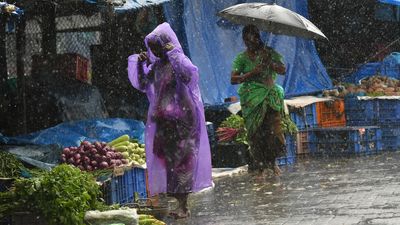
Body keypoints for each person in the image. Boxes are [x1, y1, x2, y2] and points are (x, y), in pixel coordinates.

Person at [127, 22, 212, 219]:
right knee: (170, 162)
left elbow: (190, 75)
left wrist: (174, 54)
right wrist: (141, 63)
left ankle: (184, 205)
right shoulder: (157, 66)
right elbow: (142, 83)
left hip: (183, 122)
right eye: (152, 48)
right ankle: (178, 202)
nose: (155, 51)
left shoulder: (178, 61)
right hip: (165, 123)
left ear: (166, 43)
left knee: (184, 162)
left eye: (157, 46)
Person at [231, 25, 286, 176]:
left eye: (254, 40)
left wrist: (270, 63)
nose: (251, 43)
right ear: (244, 41)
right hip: (252, 100)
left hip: (270, 98)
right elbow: (233, 79)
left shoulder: (269, 53)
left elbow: (283, 69)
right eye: (247, 41)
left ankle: (273, 163)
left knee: (273, 131)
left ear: (258, 38)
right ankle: (261, 167)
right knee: (256, 134)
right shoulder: (241, 58)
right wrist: (251, 73)